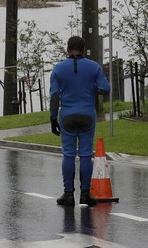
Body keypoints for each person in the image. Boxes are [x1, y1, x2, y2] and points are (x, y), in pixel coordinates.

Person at [50, 36, 110, 207]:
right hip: (87, 115)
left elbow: (54, 95)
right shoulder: (93, 67)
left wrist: (53, 117)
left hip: (67, 115)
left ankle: (68, 195)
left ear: (68, 50)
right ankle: (85, 194)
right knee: (85, 154)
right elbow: (105, 88)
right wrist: (92, 87)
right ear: (83, 50)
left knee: (68, 153)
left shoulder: (59, 69)